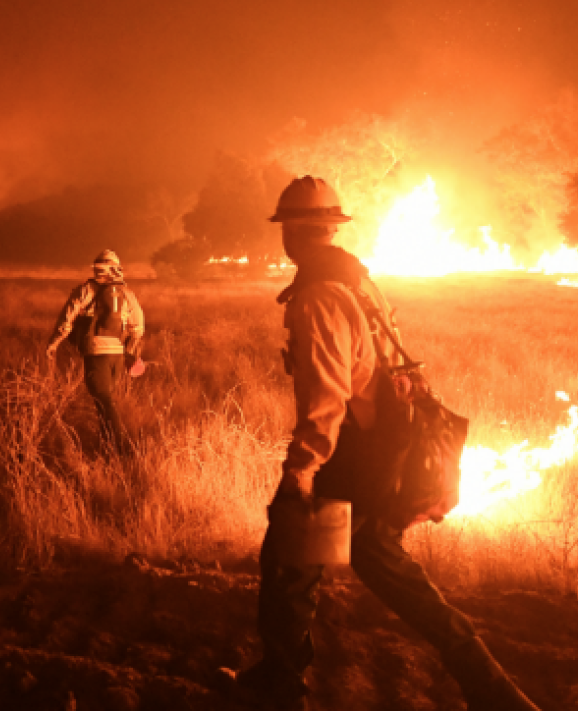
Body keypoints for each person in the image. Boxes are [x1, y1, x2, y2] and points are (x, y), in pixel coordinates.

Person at [229, 177, 541, 711]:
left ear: (295, 232)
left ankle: (495, 694)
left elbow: (327, 396)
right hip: (379, 454)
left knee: (307, 561)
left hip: (351, 458)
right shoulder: (358, 281)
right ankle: (282, 678)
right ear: (333, 227)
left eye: (288, 228)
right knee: (306, 564)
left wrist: (302, 471)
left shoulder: (319, 297)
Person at [45, 249, 146, 455]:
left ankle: (121, 448)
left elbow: (66, 321)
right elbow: (138, 327)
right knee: (106, 401)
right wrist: (130, 351)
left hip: (95, 353)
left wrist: (54, 344)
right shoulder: (127, 293)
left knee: (104, 401)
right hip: (117, 356)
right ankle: (108, 447)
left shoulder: (86, 290)